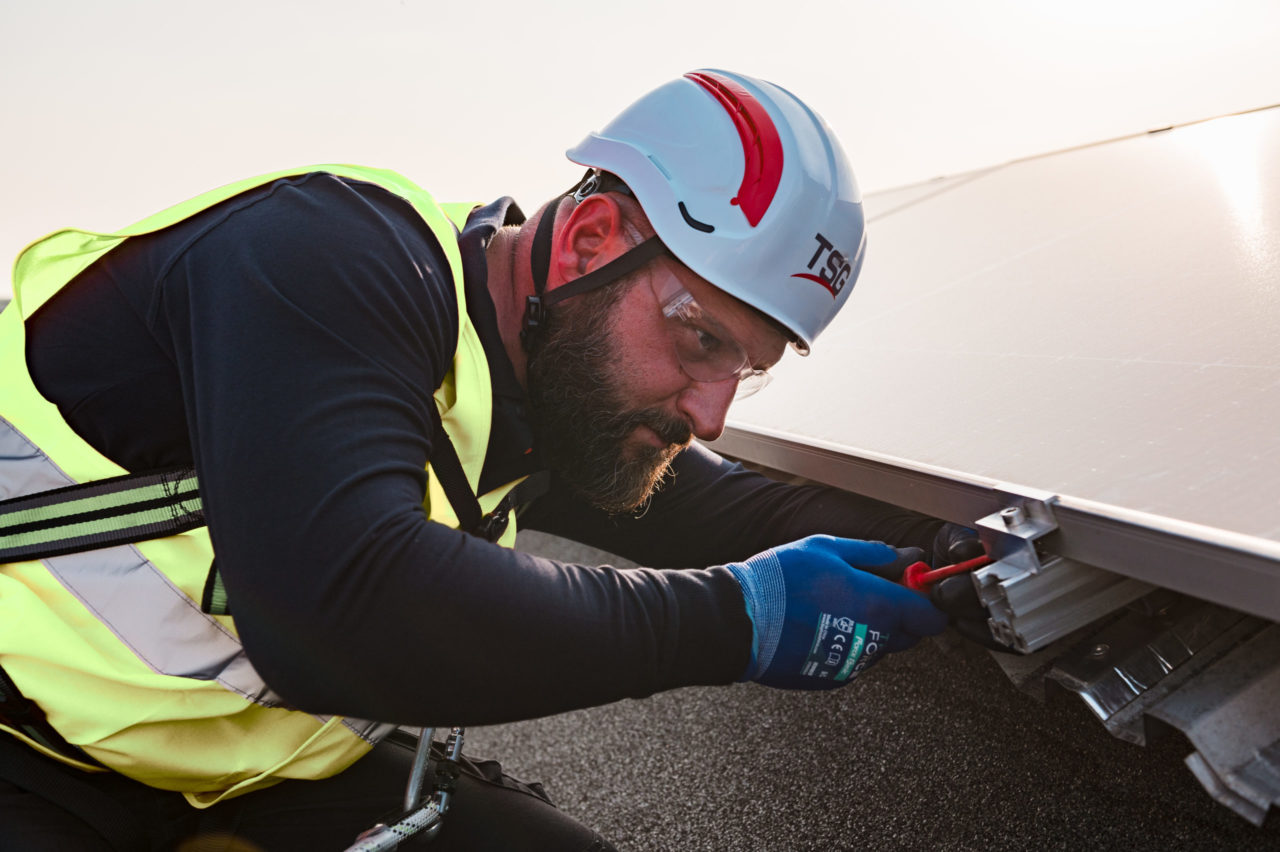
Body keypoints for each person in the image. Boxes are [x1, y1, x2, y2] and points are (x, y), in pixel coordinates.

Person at [0, 69, 979, 850]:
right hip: (26, 751)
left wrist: (971, 552)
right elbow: (342, 605)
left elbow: (730, 512)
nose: (710, 414)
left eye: (746, 371)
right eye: (701, 341)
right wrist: (736, 621)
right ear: (590, 240)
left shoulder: (546, 379)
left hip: (247, 777)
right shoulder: (327, 258)